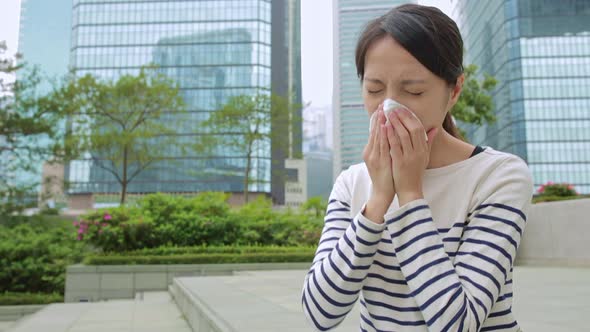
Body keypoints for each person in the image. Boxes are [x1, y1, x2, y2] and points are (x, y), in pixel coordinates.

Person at [301, 4, 532, 331]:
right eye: (374, 89)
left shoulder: (498, 176)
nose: (389, 108)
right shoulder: (352, 184)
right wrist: (379, 199)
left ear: (454, 91)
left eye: (414, 91)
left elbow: (457, 323)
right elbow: (319, 313)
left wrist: (410, 193)